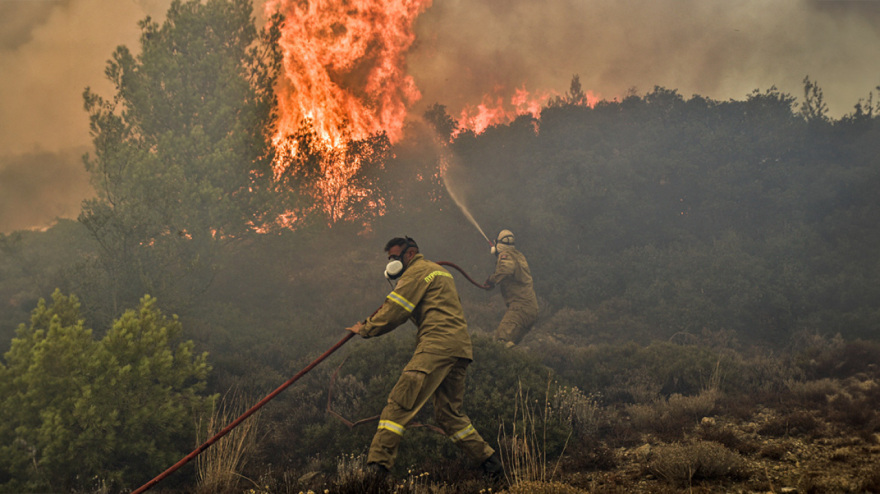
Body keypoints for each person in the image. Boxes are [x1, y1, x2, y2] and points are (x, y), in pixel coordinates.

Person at [346, 236, 503, 480]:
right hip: (460, 348)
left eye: (394, 258)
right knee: (450, 416)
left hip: (436, 346)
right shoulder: (439, 272)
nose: (391, 263)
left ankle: (376, 473)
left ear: (409, 255)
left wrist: (365, 328)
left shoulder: (416, 272)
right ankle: (492, 465)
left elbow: (395, 311)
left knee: (398, 407)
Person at [486, 229, 538, 347]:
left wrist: (491, 279)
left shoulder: (506, 256)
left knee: (500, 340)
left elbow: (505, 270)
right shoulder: (518, 256)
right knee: (509, 345)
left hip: (519, 308)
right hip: (530, 310)